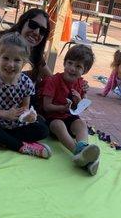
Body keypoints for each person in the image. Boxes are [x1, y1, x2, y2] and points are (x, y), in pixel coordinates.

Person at [0, 32, 51, 159]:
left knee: (43, 129)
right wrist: (4, 114)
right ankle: (20, 146)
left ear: (24, 62)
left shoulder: (26, 83)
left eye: (17, 60)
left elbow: (24, 109)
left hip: (17, 127)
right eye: (6, 58)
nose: (10, 65)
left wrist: (28, 117)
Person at [40, 44, 100, 175]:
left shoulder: (80, 83)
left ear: (85, 70)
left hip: (69, 117)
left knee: (81, 123)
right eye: (70, 63)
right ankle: (78, 153)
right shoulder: (53, 80)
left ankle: (84, 148)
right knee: (58, 124)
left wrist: (79, 100)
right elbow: (46, 107)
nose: (72, 68)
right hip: (53, 118)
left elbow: (79, 110)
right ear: (64, 63)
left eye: (78, 66)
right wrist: (62, 107)